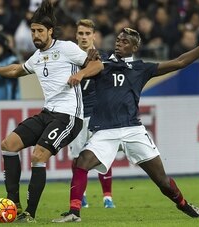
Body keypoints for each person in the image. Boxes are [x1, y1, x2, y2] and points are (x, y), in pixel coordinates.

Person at [52, 22, 199, 223]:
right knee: (82, 162)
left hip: (133, 130)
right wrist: (85, 63)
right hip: (105, 131)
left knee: (162, 181)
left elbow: (178, 62)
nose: (119, 43)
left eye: (125, 42)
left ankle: (185, 205)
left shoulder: (141, 68)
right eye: (118, 40)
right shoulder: (102, 64)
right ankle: (74, 212)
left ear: (134, 48)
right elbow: (84, 64)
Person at [0, 0, 103, 223]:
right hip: (48, 113)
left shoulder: (66, 48)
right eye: (33, 31)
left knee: (38, 155)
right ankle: (13, 204)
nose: (35, 35)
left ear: (50, 32)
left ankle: (30, 213)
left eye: (39, 31)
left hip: (68, 117)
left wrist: (81, 74)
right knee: (8, 145)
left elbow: (97, 66)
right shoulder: (37, 56)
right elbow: (18, 69)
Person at [69, 18, 115, 209]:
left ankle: (107, 197)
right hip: (77, 114)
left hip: (98, 114)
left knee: (102, 155)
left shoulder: (104, 56)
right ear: (76, 35)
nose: (84, 37)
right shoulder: (69, 56)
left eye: (88, 33)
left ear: (94, 36)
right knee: (78, 157)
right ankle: (83, 195)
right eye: (81, 33)